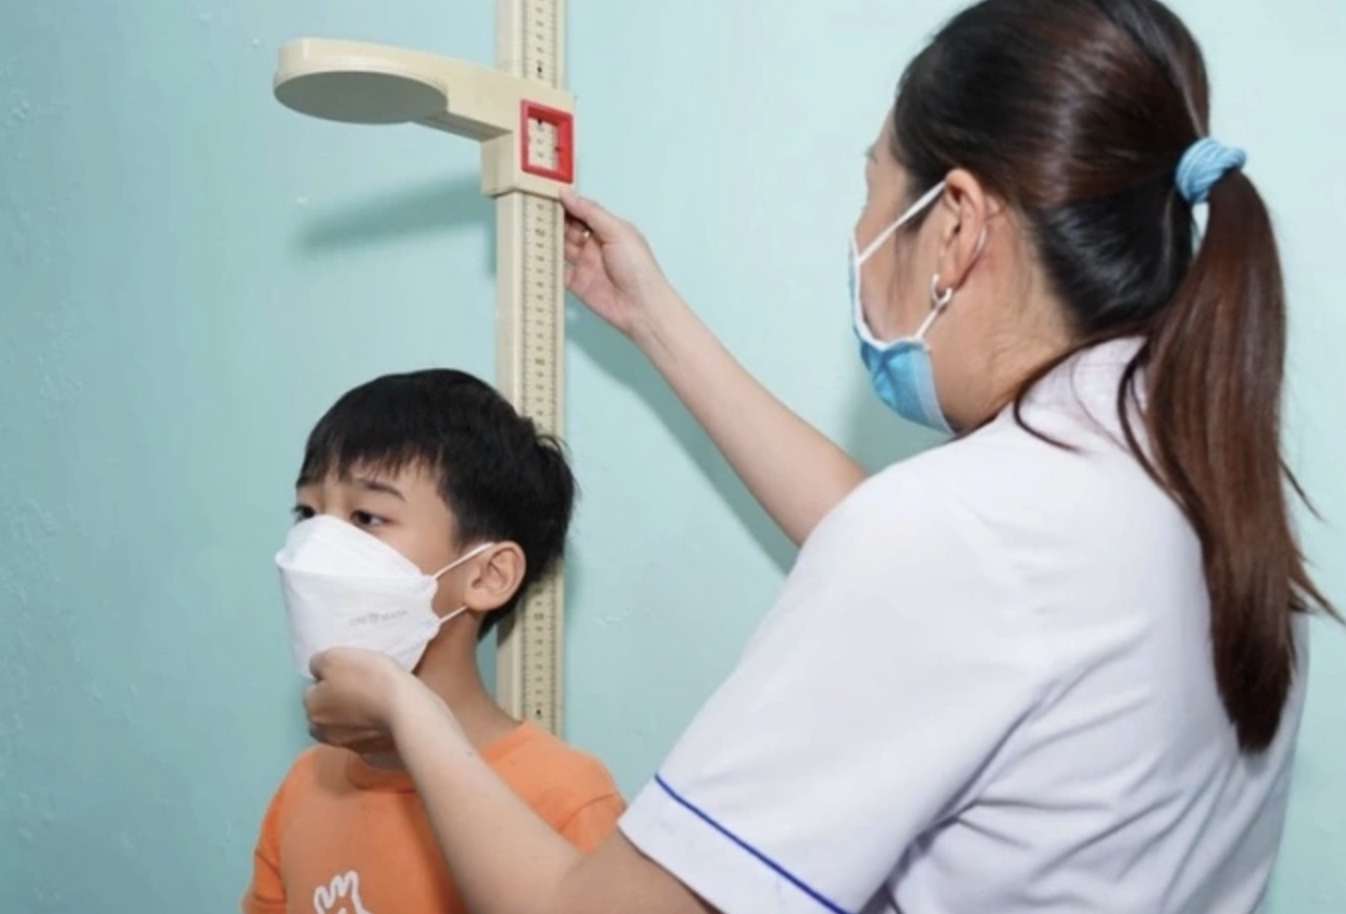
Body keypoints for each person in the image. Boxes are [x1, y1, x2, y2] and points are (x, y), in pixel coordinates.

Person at [299, 0, 1339, 911]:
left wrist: (409, 712)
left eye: (873, 190)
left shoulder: (964, 535)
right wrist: (652, 317)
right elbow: (913, 566)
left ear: (955, 225)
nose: (860, 233)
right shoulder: (1190, 500)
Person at [241, 368, 626, 914]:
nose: (318, 547)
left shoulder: (567, 799)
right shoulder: (305, 787)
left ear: (488, 575)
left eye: (367, 517)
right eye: (307, 513)